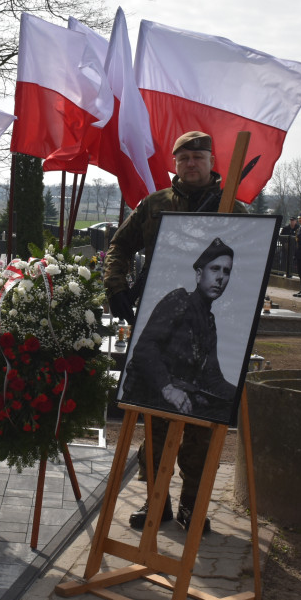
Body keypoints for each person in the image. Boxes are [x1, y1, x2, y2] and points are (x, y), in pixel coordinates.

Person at [103, 130, 246, 534]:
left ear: (211, 161)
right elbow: (120, 245)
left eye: (198, 157)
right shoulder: (155, 205)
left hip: (207, 327)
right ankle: (157, 506)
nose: (191, 164)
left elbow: (254, 256)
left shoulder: (233, 207)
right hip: (163, 319)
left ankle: (191, 509)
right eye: (183, 158)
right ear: (175, 164)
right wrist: (115, 287)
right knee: (155, 431)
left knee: (200, 437)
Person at [121, 237, 238, 421]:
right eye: (215, 269)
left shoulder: (208, 321)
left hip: (179, 398)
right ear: (199, 274)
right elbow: (144, 349)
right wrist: (167, 388)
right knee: (158, 446)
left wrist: (241, 396)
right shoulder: (179, 301)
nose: (220, 277)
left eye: (226, 271)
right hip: (151, 394)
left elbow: (212, 377)